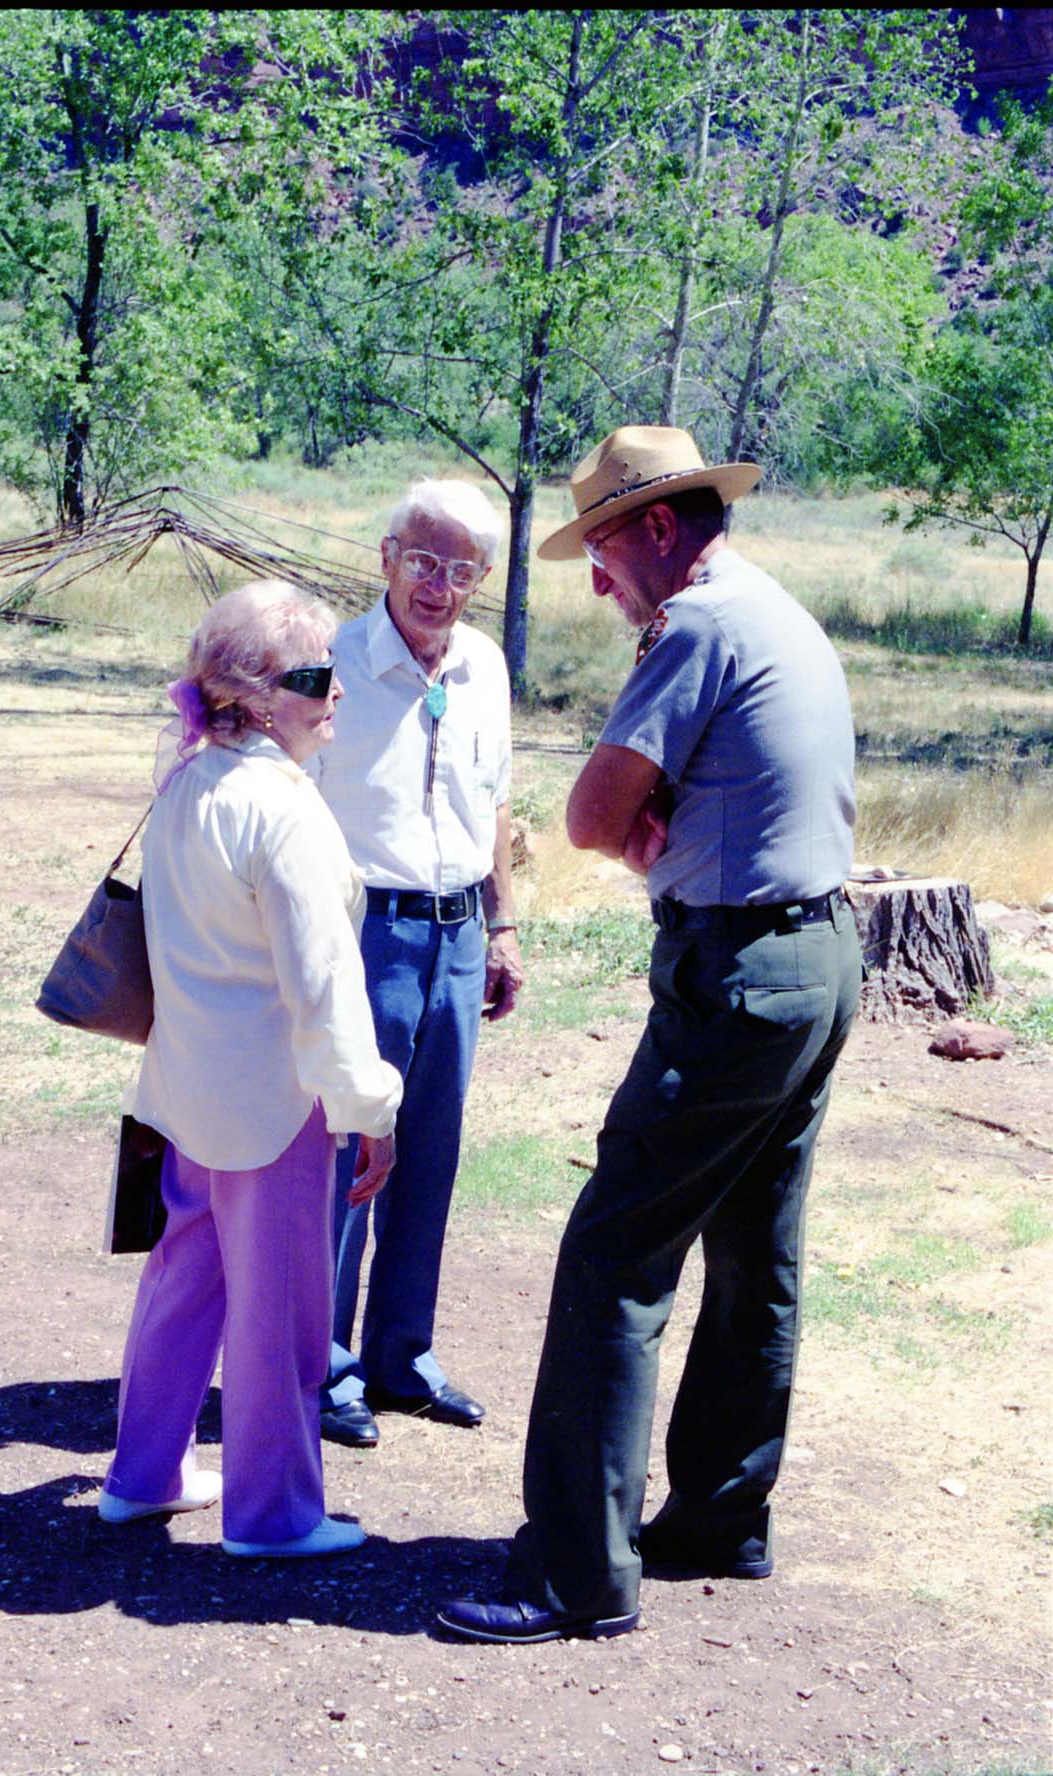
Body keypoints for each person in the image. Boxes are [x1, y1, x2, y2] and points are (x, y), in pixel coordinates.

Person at [439, 425, 861, 1642]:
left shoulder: (700, 627)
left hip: (740, 975)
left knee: (615, 1255)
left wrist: (644, 817)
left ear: (662, 528)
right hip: (814, 959)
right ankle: (721, 1520)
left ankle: (577, 1572)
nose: (595, 576)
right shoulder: (767, 611)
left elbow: (584, 815)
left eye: (606, 544)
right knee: (754, 1253)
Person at [98, 581, 403, 1559]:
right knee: (281, 1313)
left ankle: (142, 1476)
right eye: (318, 678)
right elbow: (324, 991)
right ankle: (272, 1517)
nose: (337, 695)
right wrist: (370, 1107)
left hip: (184, 1093)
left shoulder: (190, 781)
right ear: (257, 693)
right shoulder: (286, 812)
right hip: (272, 1109)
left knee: (183, 1286)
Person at [310, 480, 525, 1449]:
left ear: (482, 581)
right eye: (424, 560)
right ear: (386, 555)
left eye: (462, 569)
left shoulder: (483, 665)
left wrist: (504, 928)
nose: (439, 586)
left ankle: (403, 1355)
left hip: (459, 933)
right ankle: (324, 1363)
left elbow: (496, 805)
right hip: (367, 931)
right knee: (353, 1148)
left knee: (429, 1151)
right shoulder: (334, 662)